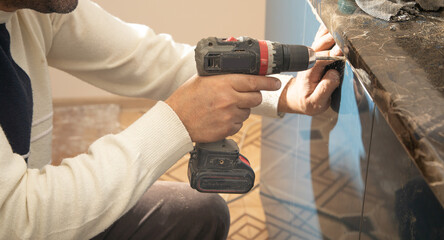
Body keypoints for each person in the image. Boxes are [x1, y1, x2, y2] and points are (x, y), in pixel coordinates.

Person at [0, 0, 343, 239]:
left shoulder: (35, 10)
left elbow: (148, 60)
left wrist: (285, 92)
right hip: (23, 225)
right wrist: (179, 120)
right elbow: (21, 217)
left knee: (200, 212)